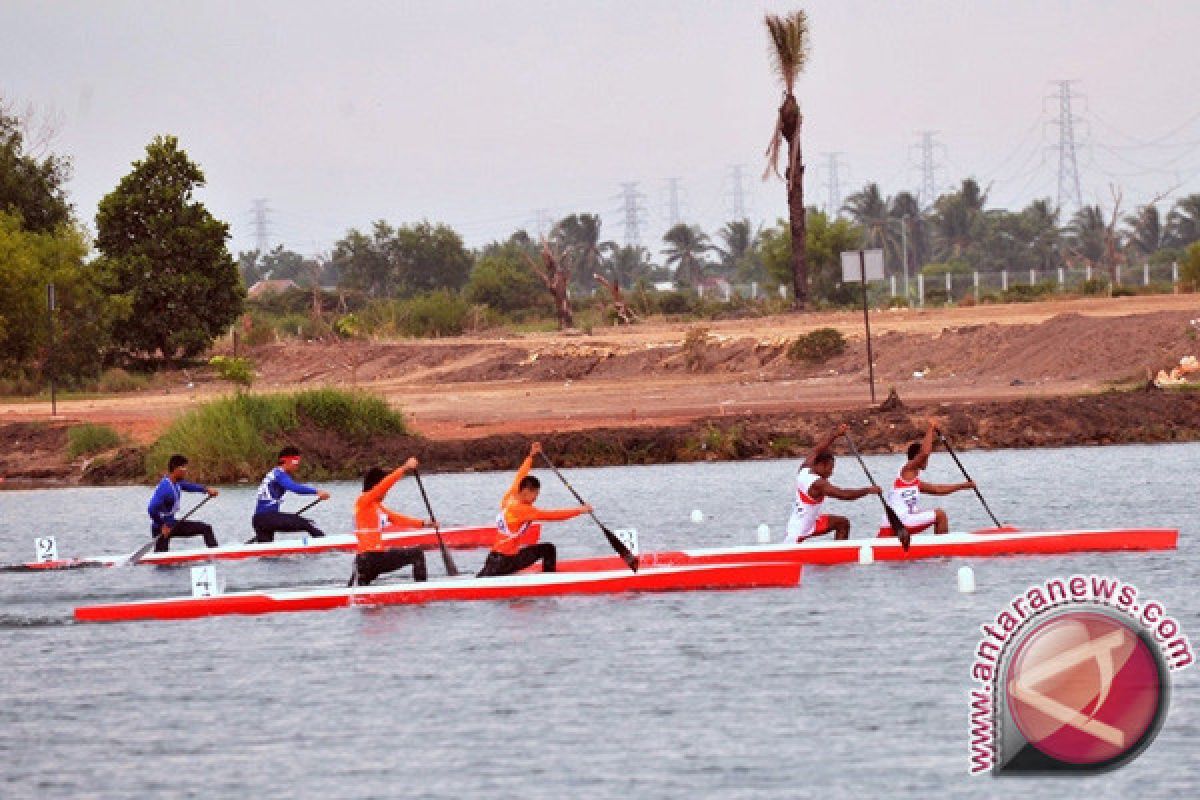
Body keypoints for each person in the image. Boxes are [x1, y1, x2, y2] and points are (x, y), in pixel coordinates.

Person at [477, 442, 591, 577]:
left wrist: (531, 456)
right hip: (506, 562)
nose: (536, 498)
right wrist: (580, 510)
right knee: (548, 549)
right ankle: (550, 581)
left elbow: (520, 475)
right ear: (525, 491)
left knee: (547, 548)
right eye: (535, 494)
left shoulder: (510, 496)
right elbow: (553, 515)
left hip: (494, 559)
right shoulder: (522, 510)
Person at [783, 423, 880, 543]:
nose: (831, 472)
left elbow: (816, 450)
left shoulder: (804, 469)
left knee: (842, 523)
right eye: (830, 468)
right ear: (821, 465)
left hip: (812, 523)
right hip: (798, 532)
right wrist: (868, 490)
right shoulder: (818, 484)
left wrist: (835, 435)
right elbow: (843, 494)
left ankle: (840, 555)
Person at [880, 420, 976, 537]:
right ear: (916, 457)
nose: (927, 460)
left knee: (922, 512)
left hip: (891, 523)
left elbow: (938, 489)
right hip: (899, 522)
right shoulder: (907, 468)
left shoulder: (912, 481)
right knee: (940, 515)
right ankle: (943, 548)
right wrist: (931, 428)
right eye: (923, 458)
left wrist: (963, 486)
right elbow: (925, 452)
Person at [349, 458, 431, 586]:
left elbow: (398, 519)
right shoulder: (364, 500)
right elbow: (383, 486)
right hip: (371, 558)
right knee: (417, 554)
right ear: (375, 485)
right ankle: (423, 589)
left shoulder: (375, 506)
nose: (386, 493)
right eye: (385, 491)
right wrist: (404, 468)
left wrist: (424, 523)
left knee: (363, 596)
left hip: (363, 561)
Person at [251, 446, 330, 543]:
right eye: (295, 462)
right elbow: (294, 488)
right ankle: (327, 545)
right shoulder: (279, 474)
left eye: (298, 462)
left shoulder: (274, 473)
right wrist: (317, 492)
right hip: (268, 518)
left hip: (259, 520)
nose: (297, 465)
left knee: (266, 555)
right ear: (283, 460)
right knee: (308, 524)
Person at [147, 454, 219, 552]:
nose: (186, 470)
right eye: (183, 467)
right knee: (162, 563)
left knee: (206, 528)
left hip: (173, 524)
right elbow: (151, 508)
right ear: (175, 469)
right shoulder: (165, 488)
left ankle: (216, 554)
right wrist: (162, 525)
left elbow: (189, 486)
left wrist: (206, 489)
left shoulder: (177, 482)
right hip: (161, 529)